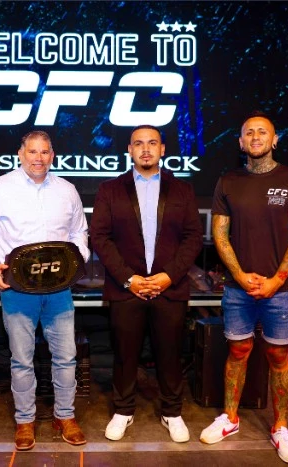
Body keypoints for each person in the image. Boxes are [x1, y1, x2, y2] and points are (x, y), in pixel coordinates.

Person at [200, 111, 288, 464]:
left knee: (278, 357)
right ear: (240, 141)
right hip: (238, 289)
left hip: (282, 289)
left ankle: (281, 427)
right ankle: (230, 418)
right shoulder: (228, 181)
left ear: (275, 140)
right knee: (238, 351)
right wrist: (239, 275)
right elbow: (219, 235)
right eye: (249, 132)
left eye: (262, 132)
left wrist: (276, 280)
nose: (255, 137)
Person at [0, 130, 89, 451]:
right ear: (20, 154)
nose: (38, 158)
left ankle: (65, 416)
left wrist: (77, 262)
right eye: (32, 151)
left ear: (53, 155)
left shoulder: (67, 190)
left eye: (44, 152)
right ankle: (25, 420)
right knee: (22, 359)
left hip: (59, 289)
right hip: (17, 289)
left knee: (66, 357)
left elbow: (79, 232)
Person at [90, 125, 203, 443]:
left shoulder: (182, 190)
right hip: (127, 288)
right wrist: (129, 279)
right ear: (129, 150)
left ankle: (172, 412)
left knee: (170, 354)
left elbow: (193, 237)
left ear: (162, 149)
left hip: (170, 287)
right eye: (138, 143)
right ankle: (123, 410)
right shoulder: (110, 189)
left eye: (152, 143)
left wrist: (169, 276)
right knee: (125, 355)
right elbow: (100, 237)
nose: (145, 149)